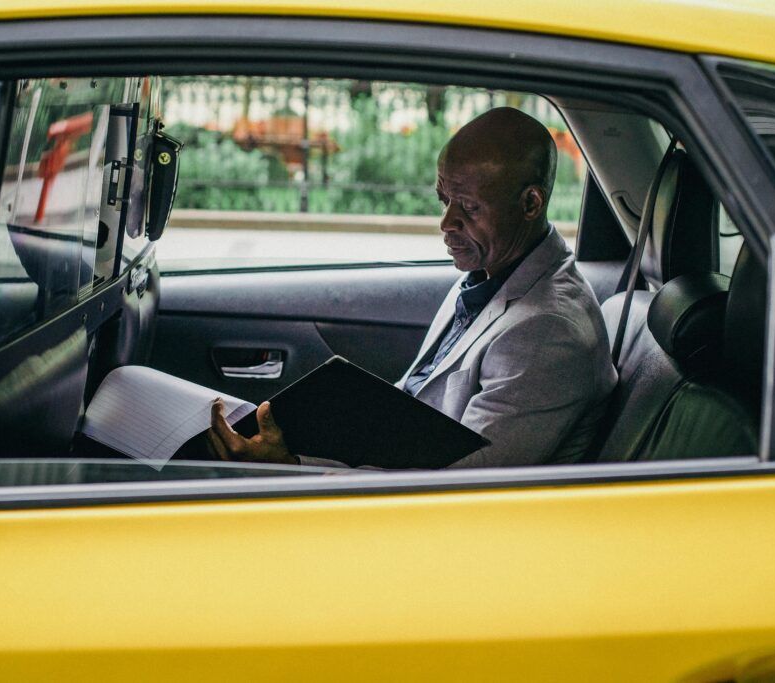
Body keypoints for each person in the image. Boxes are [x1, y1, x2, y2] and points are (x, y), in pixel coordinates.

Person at [206, 107, 617, 468]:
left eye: (469, 207)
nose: (447, 223)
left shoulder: (548, 331)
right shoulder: (489, 277)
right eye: (444, 201)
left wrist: (294, 466)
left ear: (530, 204)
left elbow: (456, 488)